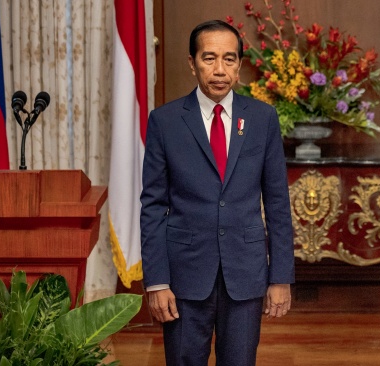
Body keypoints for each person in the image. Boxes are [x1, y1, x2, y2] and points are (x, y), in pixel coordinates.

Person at [140, 20, 295, 366]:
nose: (220, 69)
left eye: (229, 59)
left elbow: (278, 204)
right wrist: (157, 282)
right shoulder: (164, 122)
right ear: (192, 63)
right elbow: (152, 206)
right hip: (184, 276)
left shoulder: (262, 118)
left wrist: (281, 277)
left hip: (246, 273)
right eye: (209, 58)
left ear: (239, 65)